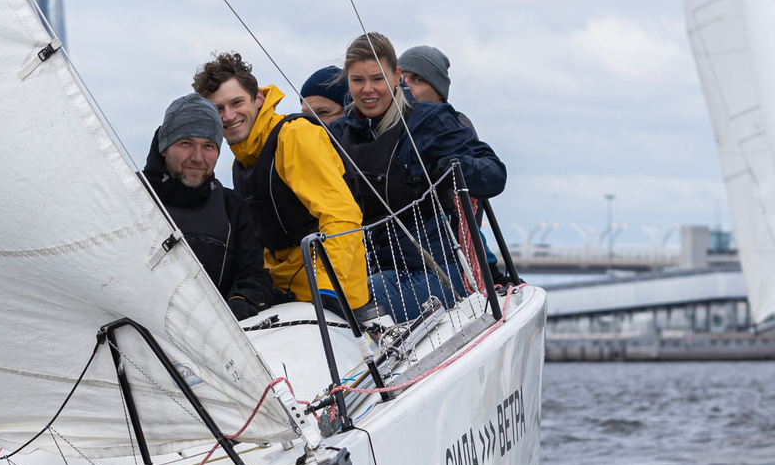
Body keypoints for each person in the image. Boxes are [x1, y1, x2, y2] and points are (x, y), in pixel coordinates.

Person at [194, 52, 381, 328]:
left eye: (236, 103)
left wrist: (328, 289)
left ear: (258, 98)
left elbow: (341, 216)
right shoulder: (241, 163)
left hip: (331, 294)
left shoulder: (295, 136)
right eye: (218, 109)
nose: (229, 116)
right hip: (284, 295)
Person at [335, 32, 508, 322]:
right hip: (373, 270)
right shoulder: (340, 134)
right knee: (323, 299)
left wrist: (453, 167)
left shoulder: (428, 120)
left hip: (438, 272)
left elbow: (494, 174)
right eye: (357, 80)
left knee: (345, 305)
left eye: (377, 78)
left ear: (395, 76)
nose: (368, 89)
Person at [143, 93, 277, 319]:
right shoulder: (130, 193)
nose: (198, 157)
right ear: (163, 146)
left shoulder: (231, 206)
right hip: (136, 330)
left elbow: (254, 275)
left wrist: (241, 300)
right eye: (186, 143)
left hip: (210, 332)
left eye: (208, 146)